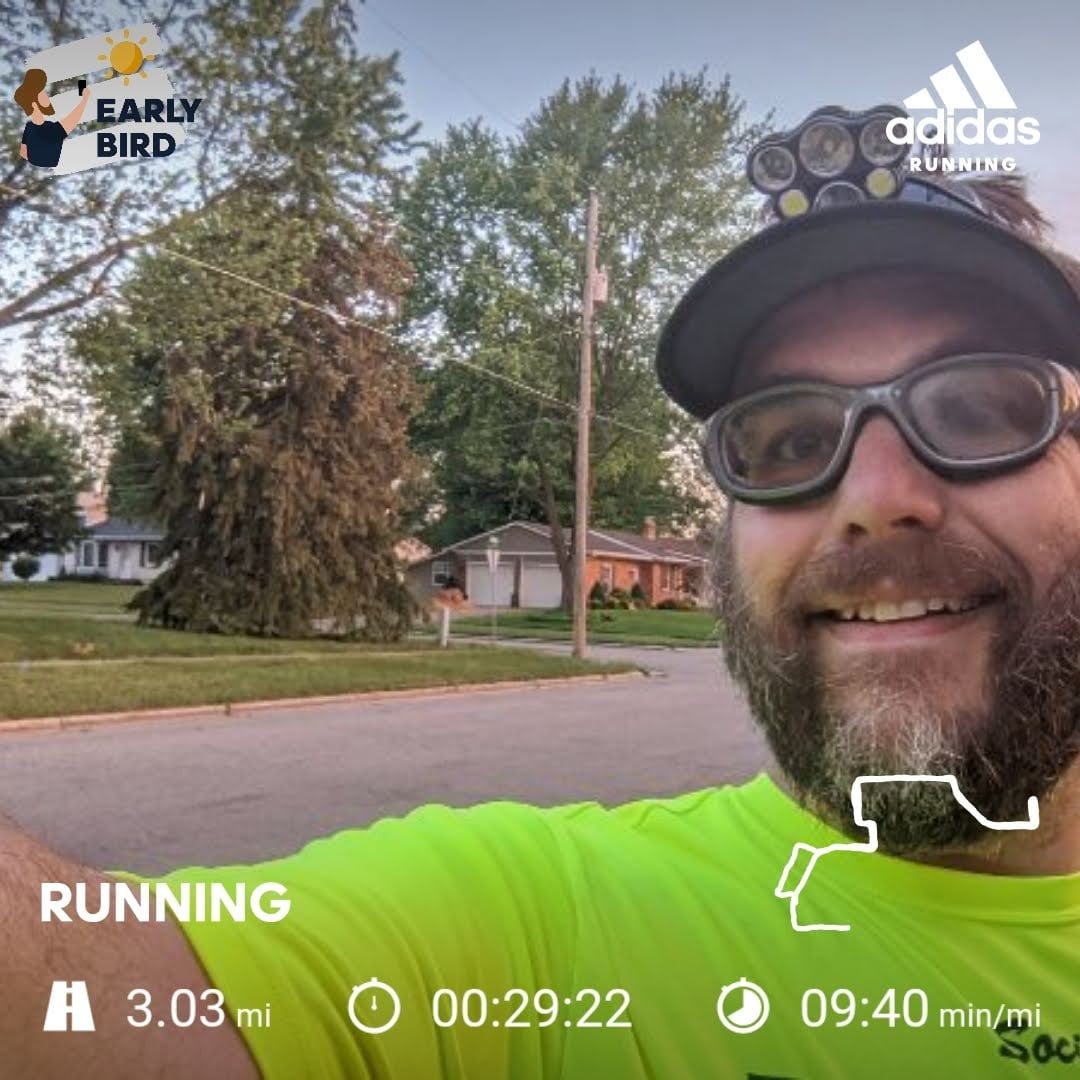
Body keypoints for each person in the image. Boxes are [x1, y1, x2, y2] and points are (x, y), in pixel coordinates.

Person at [4, 104, 1080, 1078]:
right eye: (789, 440)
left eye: (985, 410)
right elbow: (92, 992)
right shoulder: (553, 920)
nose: (876, 498)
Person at [15, 69, 91, 169]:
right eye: (42, 92)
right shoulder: (48, 130)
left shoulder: (30, 127)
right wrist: (85, 99)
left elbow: (23, 153)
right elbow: (73, 119)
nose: (46, 95)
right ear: (34, 102)